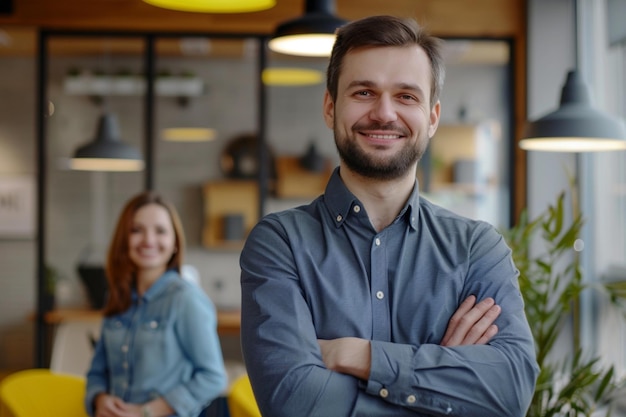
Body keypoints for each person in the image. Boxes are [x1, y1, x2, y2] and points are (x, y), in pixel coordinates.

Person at [240, 15, 539, 417]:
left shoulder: (476, 249)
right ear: (331, 108)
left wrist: (359, 355)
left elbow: (511, 390)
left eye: (406, 96)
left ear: (432, 117)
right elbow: (295, 403)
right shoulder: (281, 243)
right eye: (364, 92)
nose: (384, 113)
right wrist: (442, 381)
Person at [85, 191, 227, 417]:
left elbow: (213, 378)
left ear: (175, 243)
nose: (148, 240)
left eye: (160, 231)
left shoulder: (185, 299)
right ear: (124, 240)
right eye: (136, 230)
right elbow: (97, 372)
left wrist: (146, 412)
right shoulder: (117, 297)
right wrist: (99, 399)